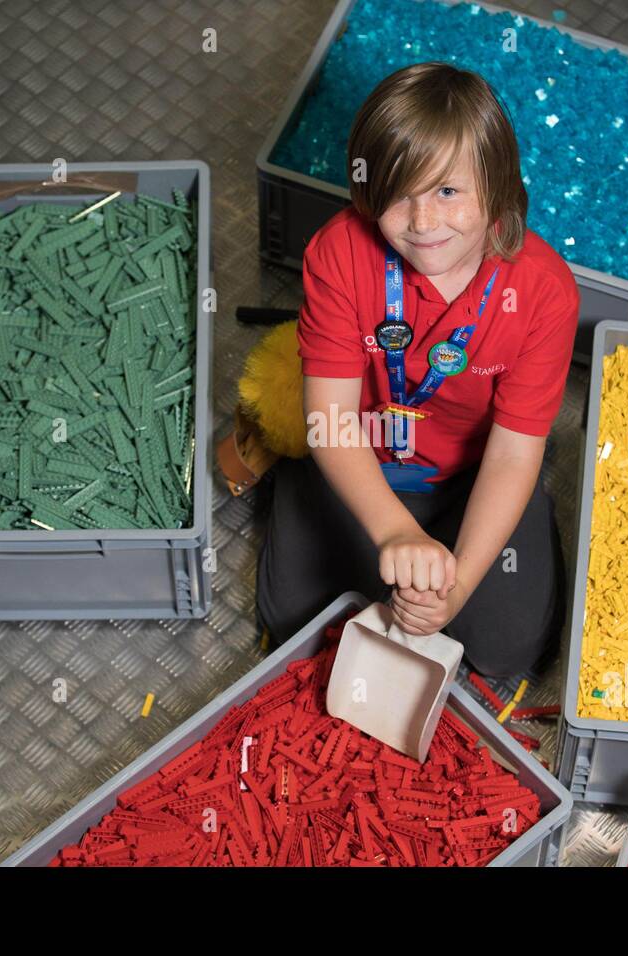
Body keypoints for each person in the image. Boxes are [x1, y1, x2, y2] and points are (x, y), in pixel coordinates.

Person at [256, 61, 579, 677]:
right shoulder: (338, 251)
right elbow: (329, 420)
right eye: (399, 194)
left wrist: (452, 592)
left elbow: (512, 456)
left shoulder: (544, 290)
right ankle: (302, 490)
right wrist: (393, 534)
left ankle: (514, 533)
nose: (423, 221)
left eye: (448, 192)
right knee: (293, 621)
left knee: (508, 651)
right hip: (361, 460)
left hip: (474, 475)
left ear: (500, 192)